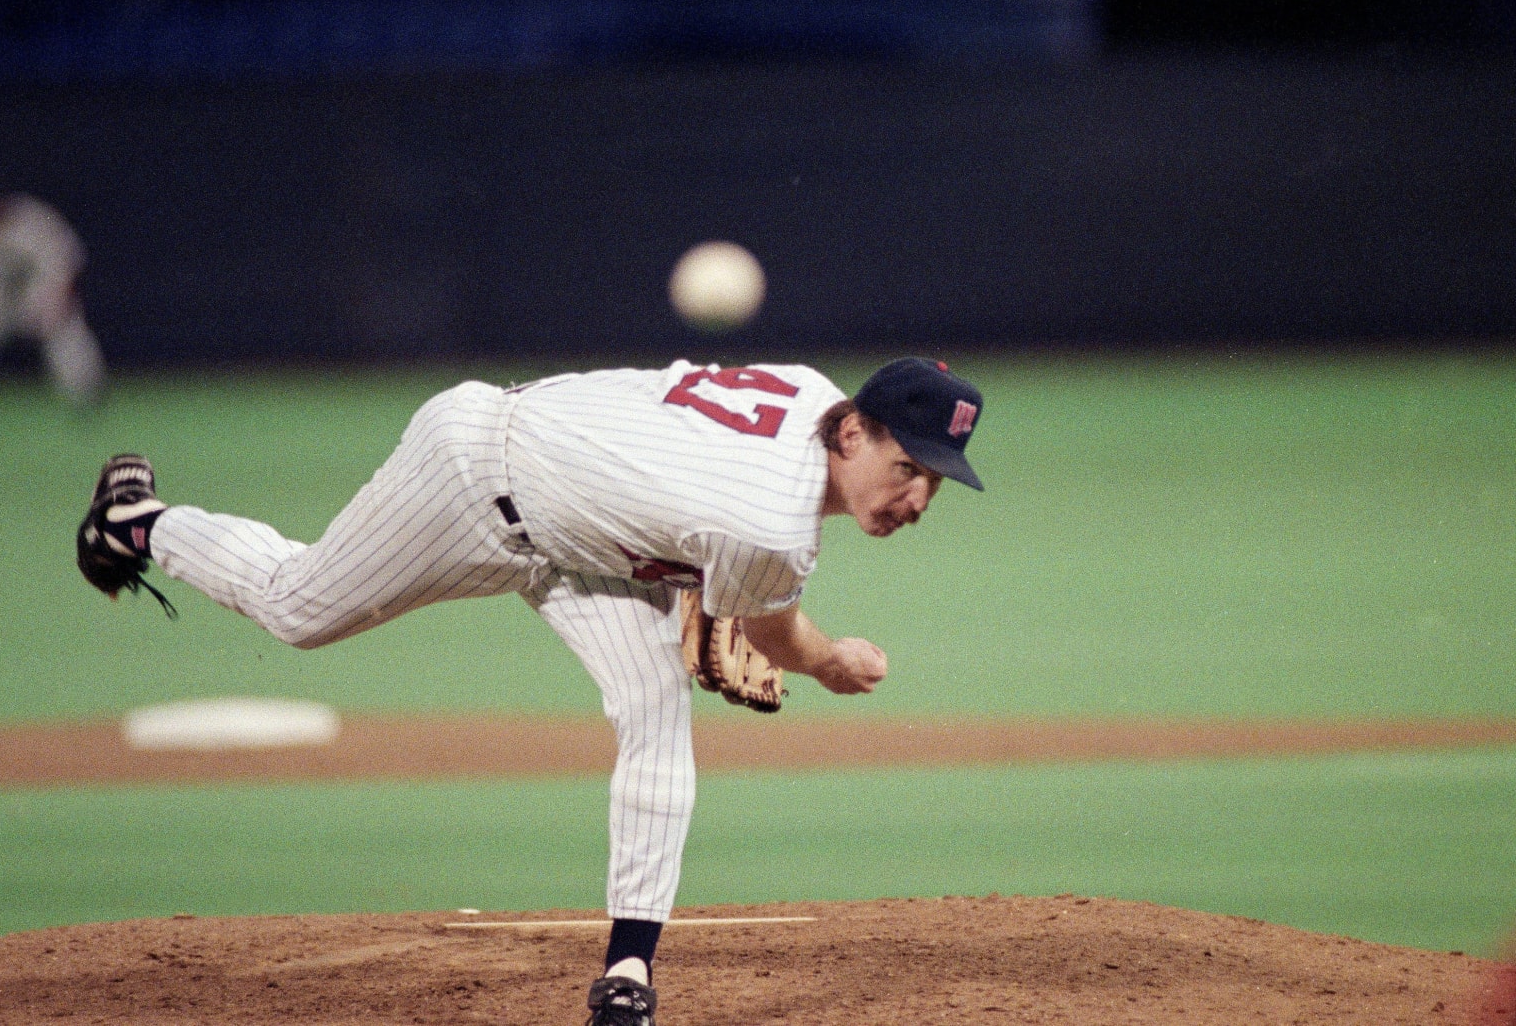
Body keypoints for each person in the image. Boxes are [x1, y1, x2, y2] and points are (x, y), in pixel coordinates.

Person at [75, 355, 984, 1026]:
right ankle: (140, 524)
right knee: (297, 607)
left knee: (655, 707)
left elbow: (678, 479)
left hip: (587, 539)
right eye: (907, 468)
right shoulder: (770, 525)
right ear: (853, 432)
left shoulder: (812, 390)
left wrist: (706, 600)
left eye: (934, 484)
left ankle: (627, 973)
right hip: (475, 478)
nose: (914, 498)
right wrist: (827, 661)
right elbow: (779, 633)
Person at [0, 158, 107, 409]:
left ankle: (87, 395)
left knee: (66, 334)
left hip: (32, 294)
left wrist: (59, 302)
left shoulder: (32, 219)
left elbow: (67, 261)